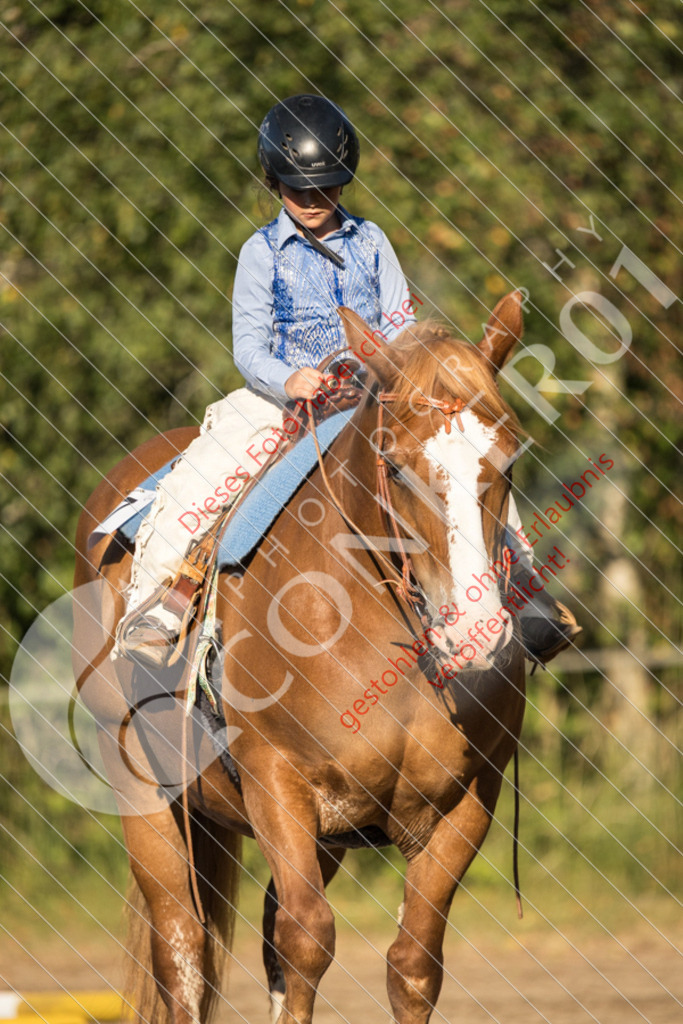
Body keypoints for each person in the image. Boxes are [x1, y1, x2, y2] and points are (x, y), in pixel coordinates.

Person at [116, 93, 580, 668]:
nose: (312, 200)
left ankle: (523, 587)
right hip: (279, 400)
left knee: (462, 456)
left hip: (375, 396)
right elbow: (248, 347)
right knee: (208, 474)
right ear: (272, 182)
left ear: (344, 183)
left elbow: (401, 327)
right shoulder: (260, 254)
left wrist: (396, 373)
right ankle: (165, 597)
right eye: (297, 188)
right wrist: (290, 380)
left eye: (327, 188)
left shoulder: (372, 241)